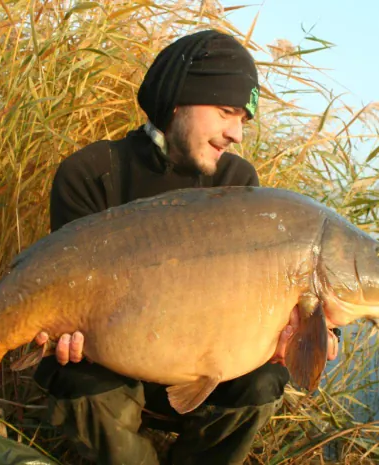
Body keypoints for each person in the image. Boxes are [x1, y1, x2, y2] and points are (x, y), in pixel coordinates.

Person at [33, 30, 340, 465]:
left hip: (203, 369)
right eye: (225, 111)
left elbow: (265, 291)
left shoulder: (237, 184)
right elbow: (61, 291)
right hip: (112, 363)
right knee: (74, 373)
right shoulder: (91, 172)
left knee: (264, 379)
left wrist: (302, 332)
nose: (236, 133)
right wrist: (59, 330)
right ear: (177, 100)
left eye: (243, 120)